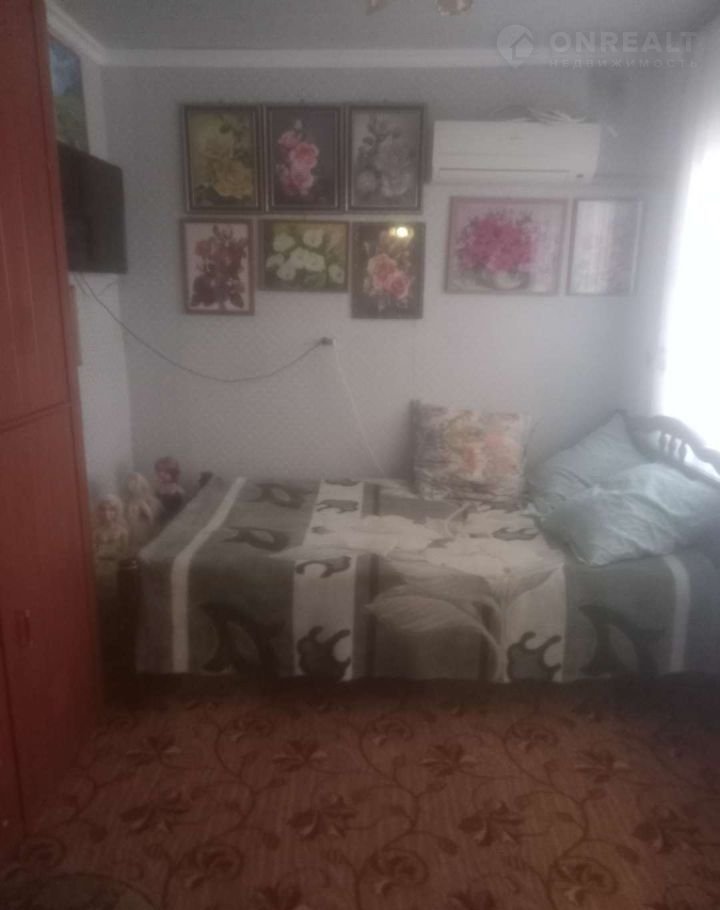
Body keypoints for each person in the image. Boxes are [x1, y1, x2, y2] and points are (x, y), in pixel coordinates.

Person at [92, 494, 129, 578]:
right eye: (103, 509)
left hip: (116, 568)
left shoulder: (122, 531)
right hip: (99, 569)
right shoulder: (96, 531)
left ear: (117, 512)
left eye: (111, 509)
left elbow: (124, 552)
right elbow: (93, 551)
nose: (106, 513)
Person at [125, 472, 161, 552]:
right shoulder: (127, 502)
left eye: (135, 483)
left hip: (145, 531)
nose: (131, 486)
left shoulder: (151, 501)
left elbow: (153, 520)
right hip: (132, 532)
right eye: (129, 483)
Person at [154, 456, 186, 520]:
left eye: (166, 472)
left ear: (174, 474)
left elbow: (177, 511)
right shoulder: (159, 488)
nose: (161, 474)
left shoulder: (176, 491)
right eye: (159, 471)